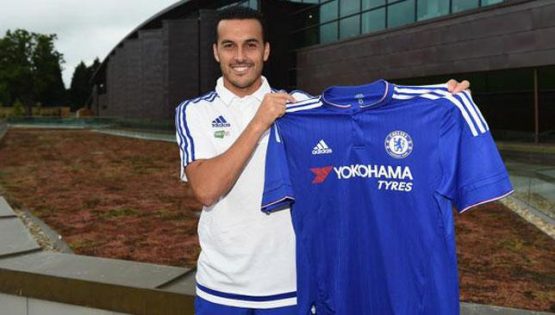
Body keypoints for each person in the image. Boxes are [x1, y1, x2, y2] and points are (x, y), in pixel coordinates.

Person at [175, 6, 469, 315]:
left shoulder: (300, 107)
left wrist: (438, 98)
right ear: (215, 52)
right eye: (229, 46)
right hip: (220, 288)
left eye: (250, 44)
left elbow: (366, 111)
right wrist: (259, 122)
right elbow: (206, 189)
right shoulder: (195, 112)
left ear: (265, 51)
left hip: (291, 287)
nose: (240, 56)